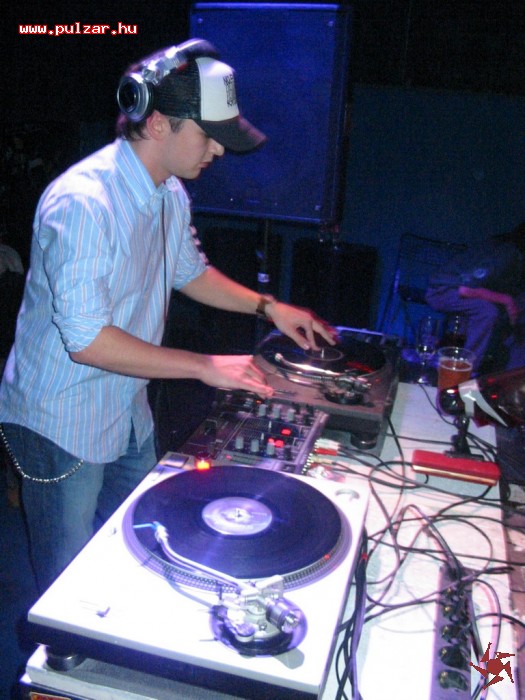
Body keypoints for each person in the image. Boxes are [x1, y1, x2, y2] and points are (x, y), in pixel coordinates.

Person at [0, 39, 336, 594]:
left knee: (144, 546)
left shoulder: (169, 193)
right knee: (67, 584)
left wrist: (269, 306)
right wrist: (204, 365)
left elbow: (189, 272)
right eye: (208, 135)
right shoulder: (83, 203)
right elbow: (86, 341)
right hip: (62, 419)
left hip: (125, 407)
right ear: (157, 123)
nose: (219, 150)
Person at [425, 221, 525, 374]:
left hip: (466, 291)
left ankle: (505, 372)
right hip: (442, 289)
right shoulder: (505, 252)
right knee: (487, 311)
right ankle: (463, 369)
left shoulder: (516, 258)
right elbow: (467, 289)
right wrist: (506, 300)